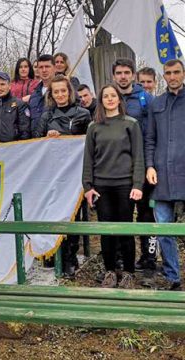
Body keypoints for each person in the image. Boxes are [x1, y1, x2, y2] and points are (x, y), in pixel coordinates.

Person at [82, 84, 144, 289]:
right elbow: (88, 159)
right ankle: (110, 271)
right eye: (105, 96)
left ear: (119, 99)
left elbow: (138, 157)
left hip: (125, 185)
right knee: (106, 230)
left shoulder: (131, 124)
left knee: (125, 230)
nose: (109, 99)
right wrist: (88, 186)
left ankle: (128, 273)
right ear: (101, 101)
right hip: (101, 186)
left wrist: (137, 184)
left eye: (113, 95)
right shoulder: (94, 127)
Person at [34, 75, 91, 277]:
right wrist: (47, 137)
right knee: (53, 212)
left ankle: (70, 257)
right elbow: (36, 142)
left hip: (75, 174)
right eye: (56, 91)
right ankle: (53, 251)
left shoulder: (83, 114)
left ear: (70, 92)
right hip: (52, 174)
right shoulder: (46, 115)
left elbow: (88, 143)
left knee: (73, 215)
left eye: (63, 91)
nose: (60, 95)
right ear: (51, 94)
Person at [112, 58, 156, 276]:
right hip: (119, 169)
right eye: (119, 72)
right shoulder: (109, 97)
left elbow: (151, 133)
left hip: (143, 164)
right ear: (114, 76)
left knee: (147, 215)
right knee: (122, 216)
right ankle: (120, 258)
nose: (122, 76)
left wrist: (150, 164)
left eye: (126, 72)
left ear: (133, 75)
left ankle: (149, 259)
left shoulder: (144, 98)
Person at [145, 59, 185, 291]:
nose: (172, 76)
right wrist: (150, 165)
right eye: (168, 73)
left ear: (183, 73)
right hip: (162, 176)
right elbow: (150, 138)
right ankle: (172, 277)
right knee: (163, 229)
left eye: (176, 72)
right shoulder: (157, 103)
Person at [0, 71, 31, 142]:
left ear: (9, 86)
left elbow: (25, 132)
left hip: (13, 149)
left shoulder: (20, 105)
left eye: (2, 84)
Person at [29, 54, 56, 136]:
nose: (44, 70)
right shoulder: (34, 94)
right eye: (41, 67)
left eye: (47, 66)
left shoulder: (63, 91)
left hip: (55, 141)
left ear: (54, 68)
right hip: (36, 142)